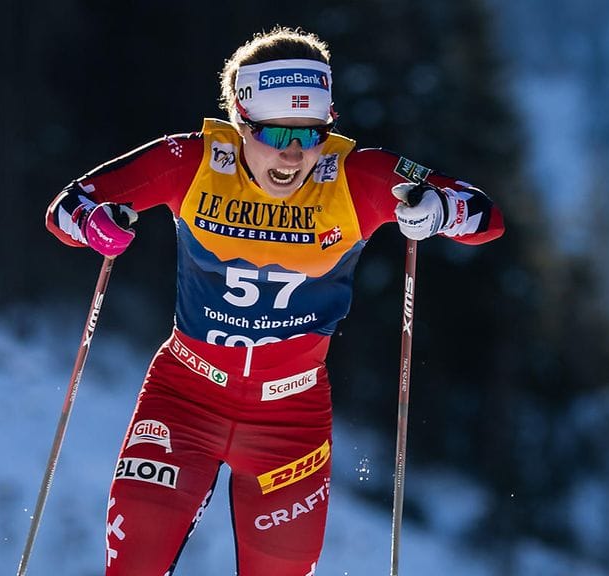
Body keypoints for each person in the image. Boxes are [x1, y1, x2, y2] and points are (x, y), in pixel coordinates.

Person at [45, 26, 504, 576]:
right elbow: (69, 206)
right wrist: (95, 225)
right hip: (184, 398)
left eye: (309, 135)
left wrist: (438, 211)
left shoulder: (356, 177)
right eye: (275, 134)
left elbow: (485, 216)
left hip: (291, 421)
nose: (292, 156)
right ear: (240, 121)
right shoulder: (191, 162)